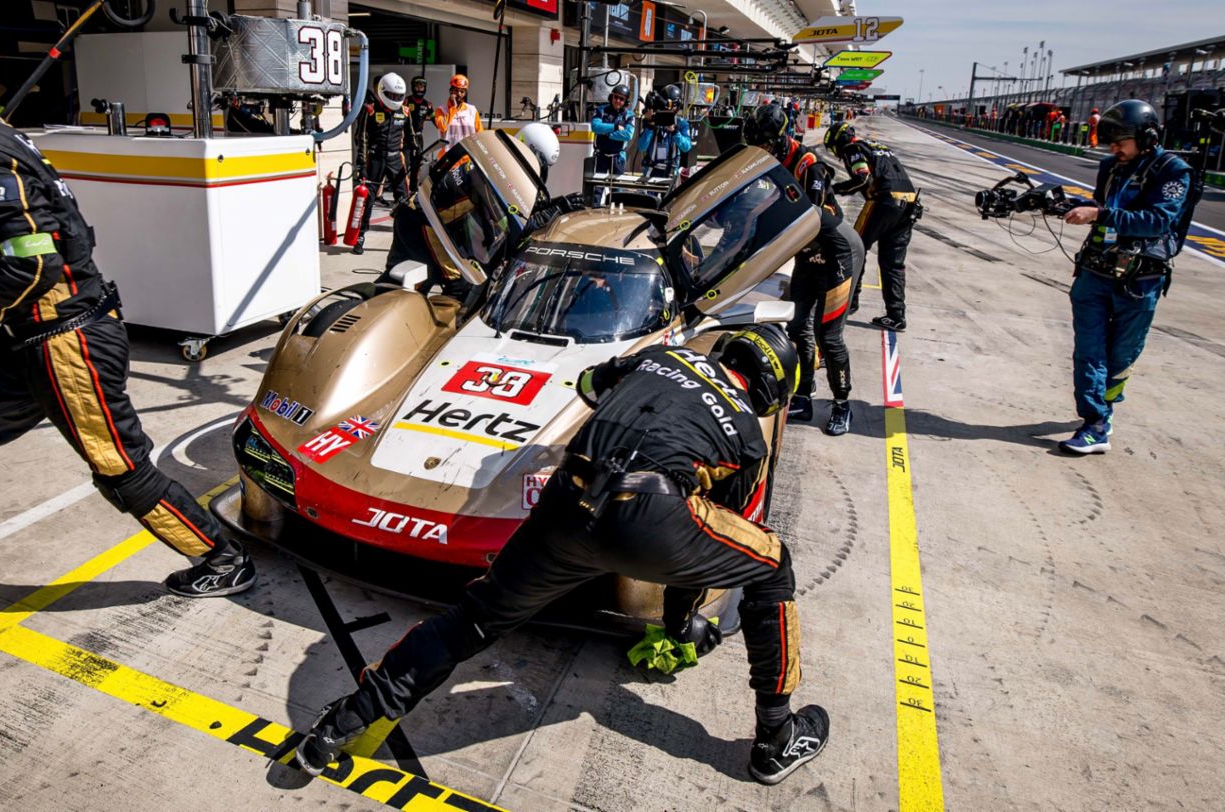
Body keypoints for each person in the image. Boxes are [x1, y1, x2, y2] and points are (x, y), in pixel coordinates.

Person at [0, 10, 257, 649]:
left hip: (69, 340)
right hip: (26, 336)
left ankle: (223, 559)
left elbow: (31, 263)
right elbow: (11, 252)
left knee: (118, 467)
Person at [296, 328, 830, 786]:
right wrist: (678, 622)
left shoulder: (663, 356)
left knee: (472, 621)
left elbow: (588, 385)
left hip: (568, 499)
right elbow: (708, 542)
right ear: (771, 389)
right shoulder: (747, 436)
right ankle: (776, 737)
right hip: (652, 515)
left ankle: (343, 722)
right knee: (773, 564)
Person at [1057, 100, 1192, 455]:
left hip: (1139, 280)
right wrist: (1066, 206)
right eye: (1111, 143)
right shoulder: (1110, 167)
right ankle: (1095, 424)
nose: (1114, 149)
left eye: (1121, 142)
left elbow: (1156, 221)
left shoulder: (1173, 171)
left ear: (1146, 138)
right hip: (1095, 272)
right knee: (1089, 351)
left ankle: (1105, 410)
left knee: (1120, 356)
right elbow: (1103, 206)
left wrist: (1098, 214)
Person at [747, 104, 854, 435]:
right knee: (797, 327)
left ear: (780, 139)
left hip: (835, 255)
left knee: (828, 336)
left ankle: (842, 404)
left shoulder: (809, 165)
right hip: (808, 255)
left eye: (765, 144)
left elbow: (810, 218)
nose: (762, 150)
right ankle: (805, 394)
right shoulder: (775, 164)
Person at [381, 124, 578, 299]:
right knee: (463, 288)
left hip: (415, 215)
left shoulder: (496, 161)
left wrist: (559, 203)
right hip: (425, 228)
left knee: (394, 285)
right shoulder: (499, 175)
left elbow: (521, 212)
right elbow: (517, 225)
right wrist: (558, 208)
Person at [824, 121, 920, 332]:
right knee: (893, 263)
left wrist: (833, 189)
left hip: (884, 202)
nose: (837, 155)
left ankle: (849, 302)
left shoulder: (852, 149)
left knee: (854, 248)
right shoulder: (880, 147)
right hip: (909, 204)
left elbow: (861, 178)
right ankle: (896, 316)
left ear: (838, 142)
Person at [351, 73, 415, 255]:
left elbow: (410, 136)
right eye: (391, 95)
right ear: (382, 92)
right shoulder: (370, 110)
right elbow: (361, 137)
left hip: (396, 159)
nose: (395, 99)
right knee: (368, 199)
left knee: (403, 199)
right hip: (375, 158)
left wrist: (415, 152)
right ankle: (360, 236)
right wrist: (361, 163)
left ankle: (404, 239)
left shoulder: (405, 111)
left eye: (398, 96)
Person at [589, 84, 635, 205]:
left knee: (617, 191)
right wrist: (615, 127)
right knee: (597, 188)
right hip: (601, 156)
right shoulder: (601, 110)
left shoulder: (629, 115)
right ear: (611, 97)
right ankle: (595, 210)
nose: (618, 101)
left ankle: (615, 213)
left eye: (621, 99)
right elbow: (595, 127)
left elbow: (628, 135)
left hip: (618, 157)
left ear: (625, 101)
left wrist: (607, 134)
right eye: (616, 97)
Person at [638, 84, 692, 184]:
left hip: (671, 171)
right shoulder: (652, 121)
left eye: (672, 106)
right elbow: (641, 147)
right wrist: (650, 126)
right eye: (666, 106)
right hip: (652, 170)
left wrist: (675, 131)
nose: (669, 109)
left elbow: (686, 147)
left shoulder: (681, 123)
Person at [433, 74, 481, 154]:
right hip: (448, 156)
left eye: (462, 91)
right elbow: (443, 127)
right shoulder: (440, 110)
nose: (459, 94)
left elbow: (479, 133)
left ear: (465, 93)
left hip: (467, 156)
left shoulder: (472, 110)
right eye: (456, 90)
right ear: (451, 91)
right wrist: (453, 108)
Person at [403, 76, 433, 180]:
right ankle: (403, 186)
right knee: (405, 164)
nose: (419, 89)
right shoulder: (406, 101)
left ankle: (414, 187)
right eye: (417, 86)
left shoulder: (427, 105)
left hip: (419, 138)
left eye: (422, 87)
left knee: (417, 164)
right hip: (406, 138)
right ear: (413, 87)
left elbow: (436, 120)